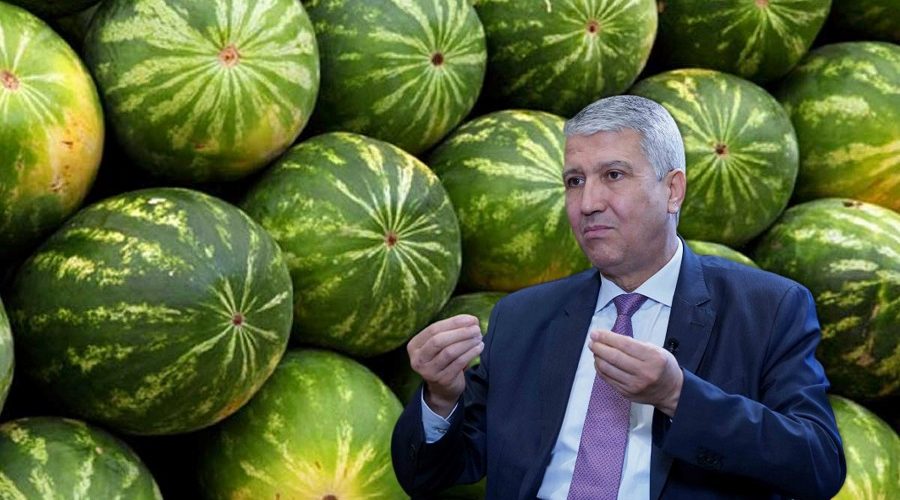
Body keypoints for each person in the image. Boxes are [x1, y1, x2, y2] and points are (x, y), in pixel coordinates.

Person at [391, 95, 845, 499]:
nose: (588, 203)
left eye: (613, 175)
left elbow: (818, 465)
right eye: (574, 181)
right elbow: (430, 475)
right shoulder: (523, 317)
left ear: (673, 190)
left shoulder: (768, 308)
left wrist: (678, 395)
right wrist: (441, 398)